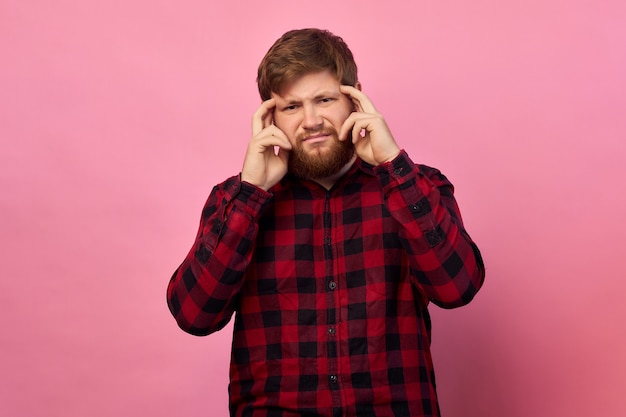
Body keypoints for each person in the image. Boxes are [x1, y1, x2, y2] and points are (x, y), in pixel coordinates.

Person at [167, 28, 485, 417]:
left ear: (356, 98)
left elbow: (458, 288)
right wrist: (251, 193)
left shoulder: (419, 186)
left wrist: (393, 166)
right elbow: (194, 316)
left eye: (324, 99)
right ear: (269, 115)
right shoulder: (234, 201)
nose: (311, 120)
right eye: (292, 107)